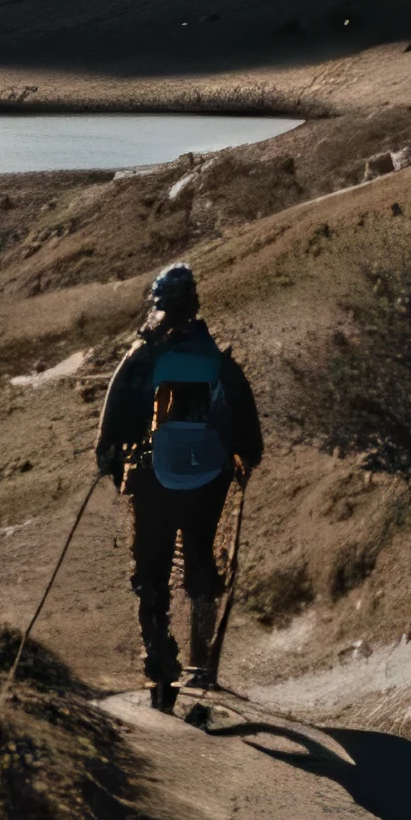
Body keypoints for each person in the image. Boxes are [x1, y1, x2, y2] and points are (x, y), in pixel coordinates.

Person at [95, 261, 263, 711]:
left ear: (158, 306)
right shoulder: (218, 359)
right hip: (209, 479)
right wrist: (243, 461)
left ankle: (159, 665)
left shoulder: (141, 357)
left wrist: (110, 461)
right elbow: (248, 434)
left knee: (151, 570)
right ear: (195, 304)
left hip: (152, 477)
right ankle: (201, 662)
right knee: (200, 560)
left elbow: (114, 422)